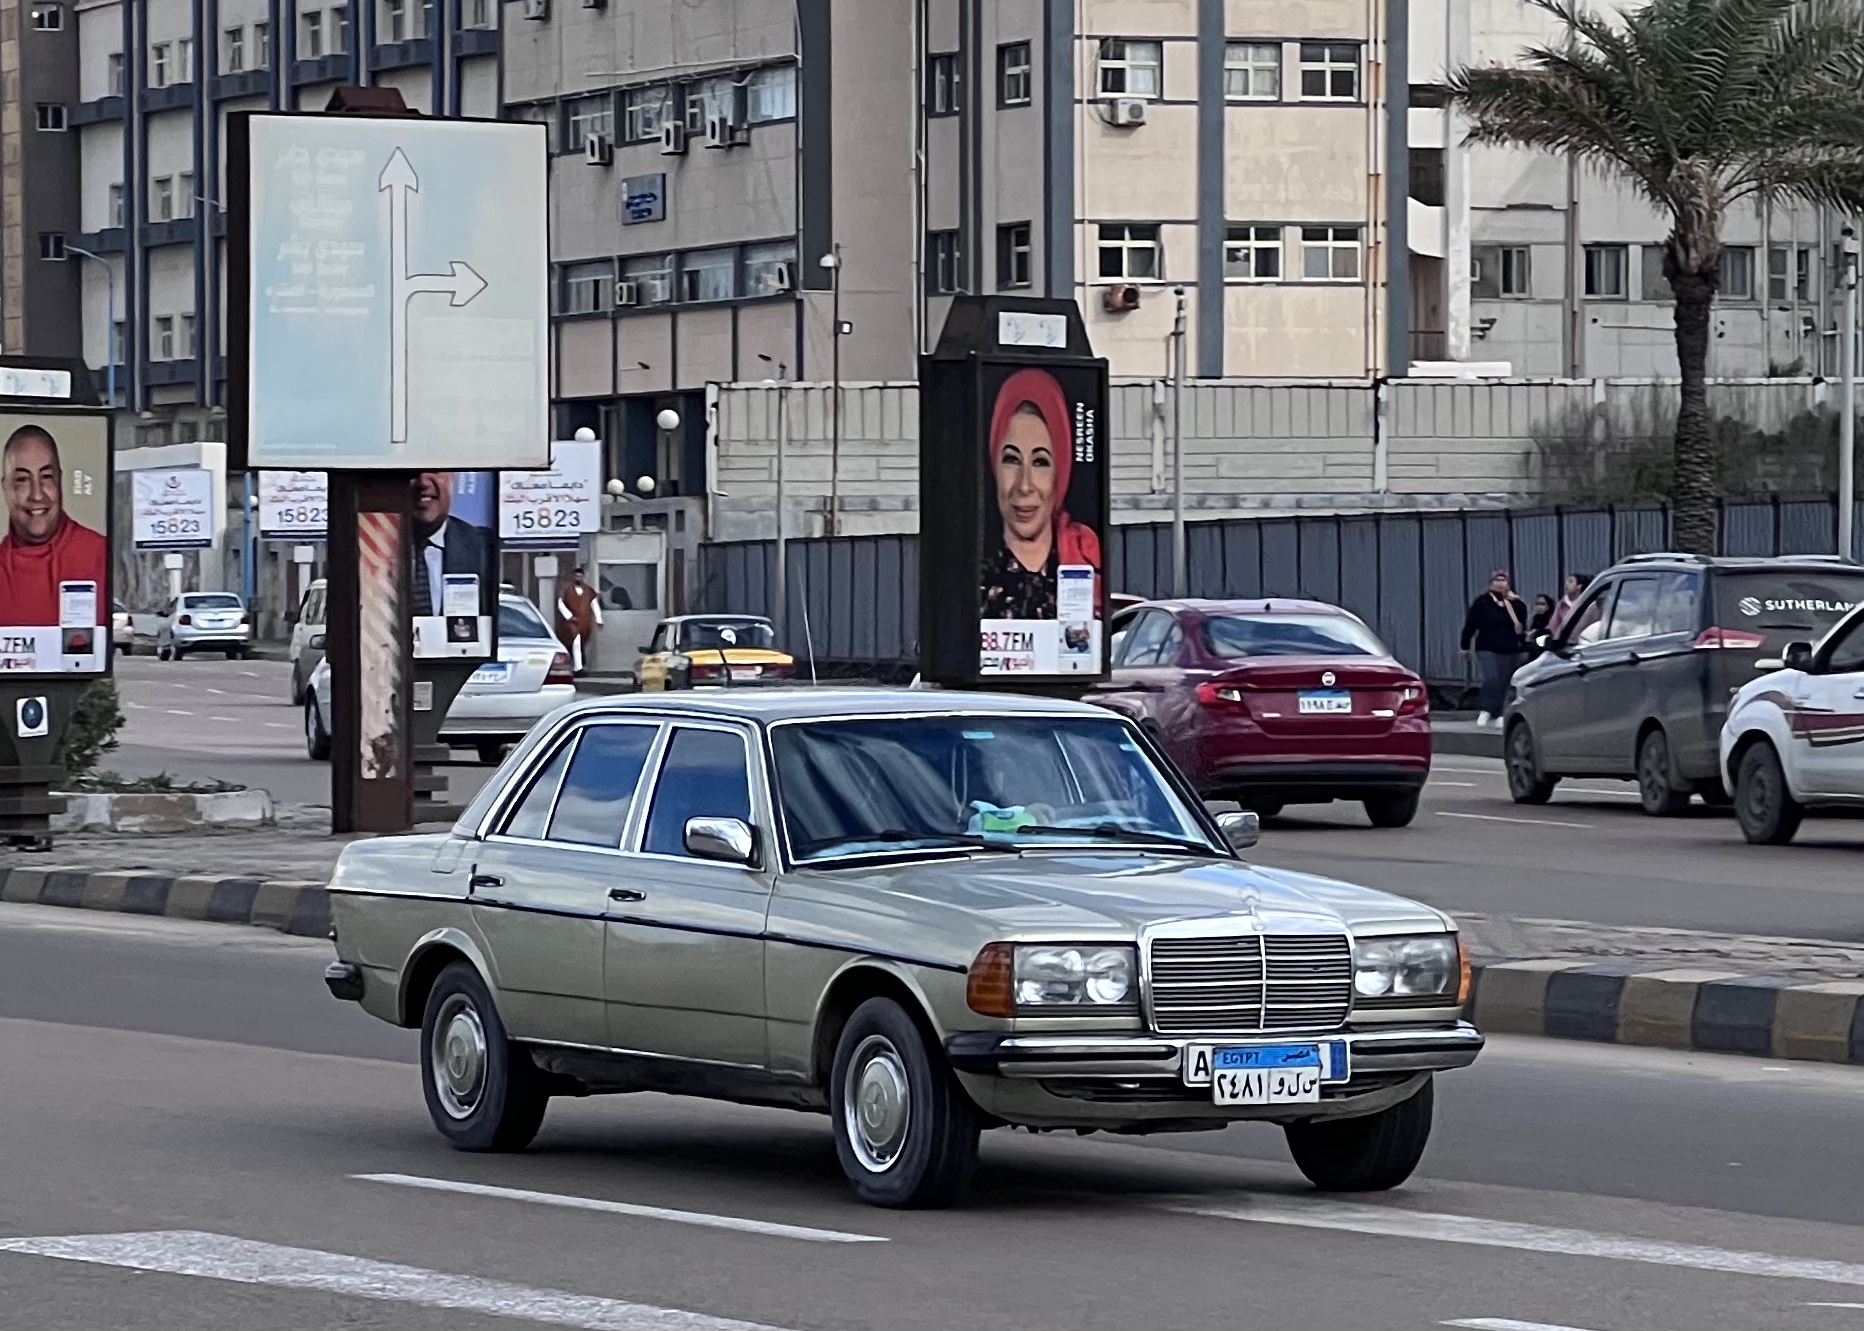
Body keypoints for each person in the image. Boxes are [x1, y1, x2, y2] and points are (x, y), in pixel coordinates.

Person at [978, 367, 1100, 620]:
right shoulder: (969, 574)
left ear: (1062, 471)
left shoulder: (1088, 561)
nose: (1024, 485)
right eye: (1011, 459)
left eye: (1040, 462)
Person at [0, 423, 108, 626]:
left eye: (46, 477)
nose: (37, 494)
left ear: (59, 480)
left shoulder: (100, 554)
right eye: (22, 480)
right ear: (6, 488)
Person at [411, 471, 494, 618]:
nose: (424, 482)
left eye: (435, 470)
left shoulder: (484, 549)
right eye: (412, 472)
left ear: (452, 476)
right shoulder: (369, 549)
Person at [1460, 569, 1527, 728]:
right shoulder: (1482, 602)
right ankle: (1486, 709)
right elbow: (1471, 624)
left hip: (1509, 648)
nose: (1500, 583)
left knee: (1504, 680)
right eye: (1497, 580)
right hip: (1486, 647)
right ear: (1491, 583)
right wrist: (1465, 645)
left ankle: (1499, 712)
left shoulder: (1514, 603)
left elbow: (1521, 625)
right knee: (1492, 677)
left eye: (1503, 580)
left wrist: (1514, 603)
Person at [556, 566, 603, 674]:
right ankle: (578, 668)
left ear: (583, 577)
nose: (578, 578)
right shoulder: (566, 590)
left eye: (580, 576)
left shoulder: (589, 591)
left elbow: (594, 605)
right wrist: (569, 616)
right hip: (571, 623)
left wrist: (599, 620)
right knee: (575, 643)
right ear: (573, 577)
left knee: (581, 644)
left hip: (585, 623)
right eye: (576, 576)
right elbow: (561, 604)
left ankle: (578, 666)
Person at [1547, 572, 1592, 636]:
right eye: (1566, 582)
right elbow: (1554, 626)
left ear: (1579, 586)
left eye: (1570, 581)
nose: (1566, 584)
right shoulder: (1561, 605)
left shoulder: (1587, 604)